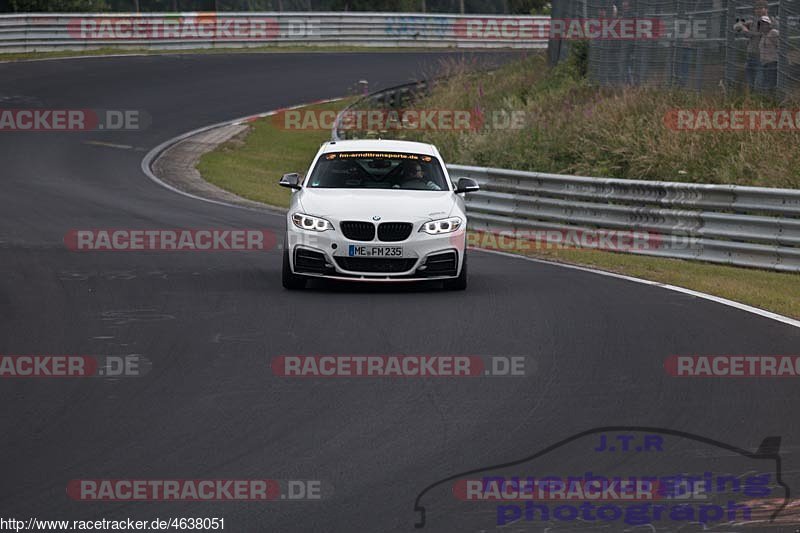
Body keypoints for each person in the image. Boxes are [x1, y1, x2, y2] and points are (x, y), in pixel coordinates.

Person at [733, 2, 767, 90]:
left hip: (761, 56)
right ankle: (752, 100)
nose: (758, 10)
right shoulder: (753, 21)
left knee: (759, 84)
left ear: (766, 9)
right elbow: (736, 28)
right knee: (750, 83)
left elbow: (754, 34)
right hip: (750, 55)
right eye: (756, 8)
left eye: (761, 8)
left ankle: (760, 100)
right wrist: (741, 23)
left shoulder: (767, 21)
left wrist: (744, 29)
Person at [759, 16, 779, 92]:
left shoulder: (774, 33)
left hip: (773, 63)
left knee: (770, 85)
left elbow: (781, 46)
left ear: (769, 24)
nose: (763, 26)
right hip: (764, 63)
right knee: (764, 84)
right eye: (761, 24)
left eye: (765, 24)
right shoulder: (763, 35)